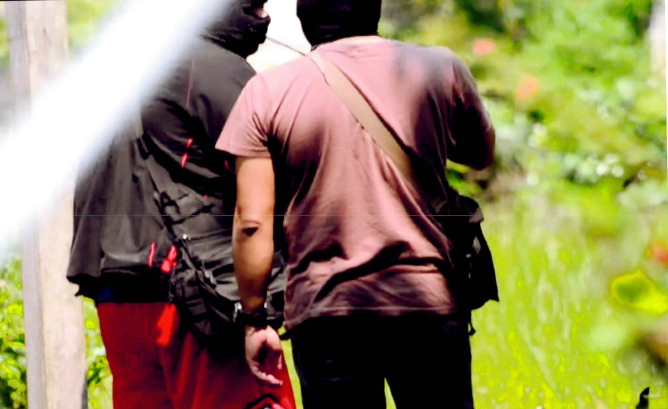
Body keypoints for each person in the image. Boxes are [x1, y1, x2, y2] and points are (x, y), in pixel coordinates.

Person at [216, 0, 496, 408]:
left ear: (304, 17)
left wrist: (256, 319)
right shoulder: (440, 68)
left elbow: (252, 222)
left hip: (327, 315)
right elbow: (479, 154)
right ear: (373, 9)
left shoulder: (267, 91)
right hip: (427, 304)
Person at [67, 1, 295, 408]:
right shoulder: (214, 69)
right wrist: (258, 313)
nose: (264, 15)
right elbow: (271, 194)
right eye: (255, 4)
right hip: (197, 304)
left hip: (117, 298)